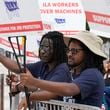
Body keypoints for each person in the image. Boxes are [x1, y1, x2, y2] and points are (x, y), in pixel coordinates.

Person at [20, 30, 107, 108]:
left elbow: (69, 90)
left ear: (88, 53)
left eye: (74, 51)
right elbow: (54, 92)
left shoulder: (93, 74)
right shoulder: (72, 73)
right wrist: (30, 95)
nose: (69, 54)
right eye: (68, 50)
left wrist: (34, 81)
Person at [0, 31, 71, 110]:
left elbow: (52, 92)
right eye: (41, 46)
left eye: (47, 47)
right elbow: (20, 68)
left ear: (57, 49)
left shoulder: (63, 69)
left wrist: (29, 97)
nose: (42, 51)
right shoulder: (43, 65)